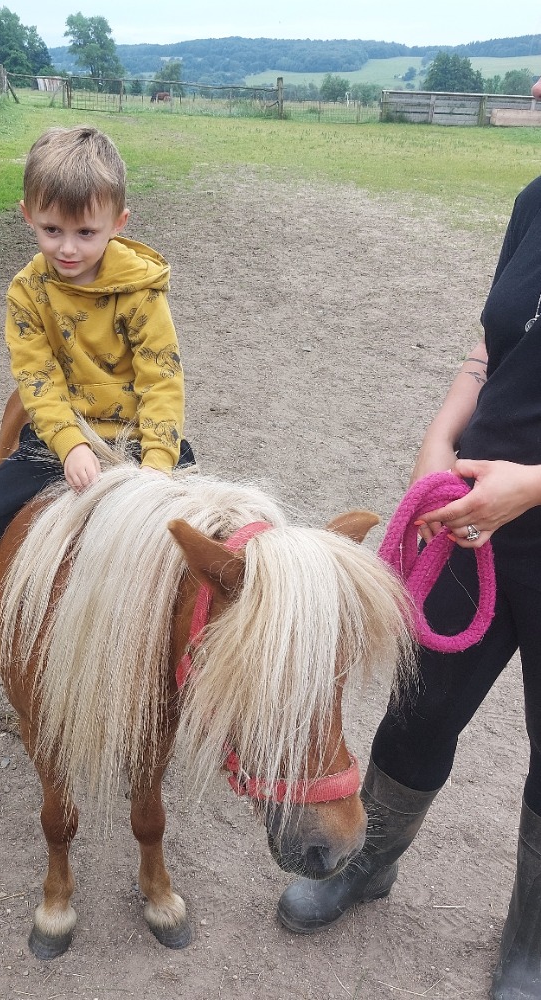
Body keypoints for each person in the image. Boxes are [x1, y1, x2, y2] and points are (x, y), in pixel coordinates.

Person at [277, 167, 541, 998]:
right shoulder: (535, 203)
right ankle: (371, 865)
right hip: (471, 519)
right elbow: (493, 348)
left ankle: (531, 941)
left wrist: (532, 486)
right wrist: (439, 439)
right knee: (421, 706)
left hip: (514, 501)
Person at [0, 125, 195, 716]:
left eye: (86, 232)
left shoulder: (141, 292)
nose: (68, 248)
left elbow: (161, 379)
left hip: (138, 438)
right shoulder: (27, 292)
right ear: (27, 215)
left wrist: (159, 465)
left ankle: (196, 654)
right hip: (59, 434)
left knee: (197, 539)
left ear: (118, 222)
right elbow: (37, 378)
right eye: (51, 230)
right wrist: (68, 444)